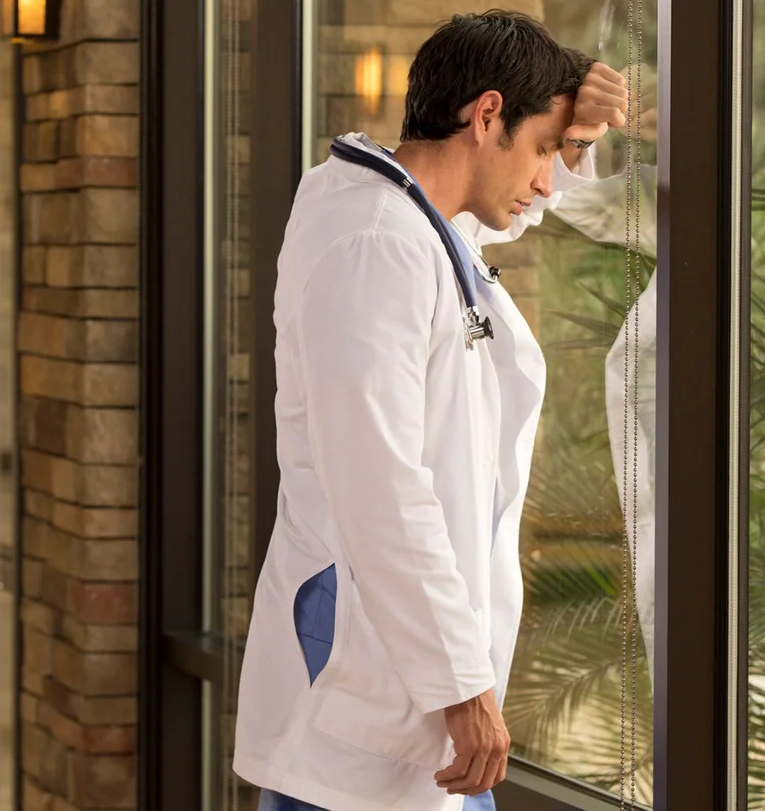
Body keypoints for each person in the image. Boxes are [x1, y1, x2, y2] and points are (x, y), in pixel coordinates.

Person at [232, 12, 630, 811]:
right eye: (546, 150)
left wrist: (575, 132)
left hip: (416, 707)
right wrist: (462, 687)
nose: (550, 181)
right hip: (367, 705)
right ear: (485, 116)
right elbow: (380, 486)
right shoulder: (374, 243)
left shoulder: (404, 219)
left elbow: (508, 203)